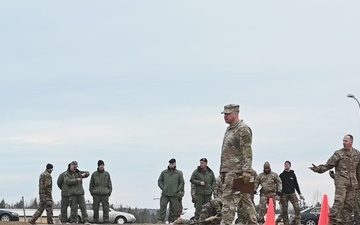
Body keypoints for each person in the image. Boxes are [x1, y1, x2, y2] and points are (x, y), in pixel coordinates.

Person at [219, 104, 258, 225]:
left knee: (228, 202)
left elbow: (246, 151)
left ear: (236, 113)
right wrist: (222, 171)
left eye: (228, 114)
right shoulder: (230, 129)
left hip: (237, 173)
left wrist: (247, 171)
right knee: (246, 203)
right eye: (224, 114)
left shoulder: (242, 129)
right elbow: (226, 153)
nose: (225, 116)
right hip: (229, 171)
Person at [309, 134, 360, 225]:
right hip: (341, 181)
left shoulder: (357, 154)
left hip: (353, 184)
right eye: (343, 141)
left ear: (351, 142)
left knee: (349, 206)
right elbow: (329, 165)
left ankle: (345, 222)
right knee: (339, 202)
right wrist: (319, 169)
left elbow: (358, 171)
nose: (343, 143)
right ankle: (332, 221)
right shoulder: (338, 153)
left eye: (346, 141)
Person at [157, 158, 185, 223]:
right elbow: (159, 181)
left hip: (174, 194)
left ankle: (171, 221)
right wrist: (163, 188)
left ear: (175, 164)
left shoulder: (178, 173)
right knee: (162, 207)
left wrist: (178, 190)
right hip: (165, 194)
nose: (171, 165)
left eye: (172, 164)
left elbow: (182, 182)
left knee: (173, 209)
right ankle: (160, 220)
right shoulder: (164, 172)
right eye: (170, 164)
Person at [279, 161, 304, 225]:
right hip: (284, 194)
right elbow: (279, 185)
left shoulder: (293, 174)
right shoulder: (281, 175)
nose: (286, 165)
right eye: (285, 164)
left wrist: (299, 193)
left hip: (292, 193)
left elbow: (296, 184)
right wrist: (278, 194)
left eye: (288, 164)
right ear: (284, 166)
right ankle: (286, 223)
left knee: (297, 208)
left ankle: (298, 222)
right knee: (284, 211)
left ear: (290, 166)